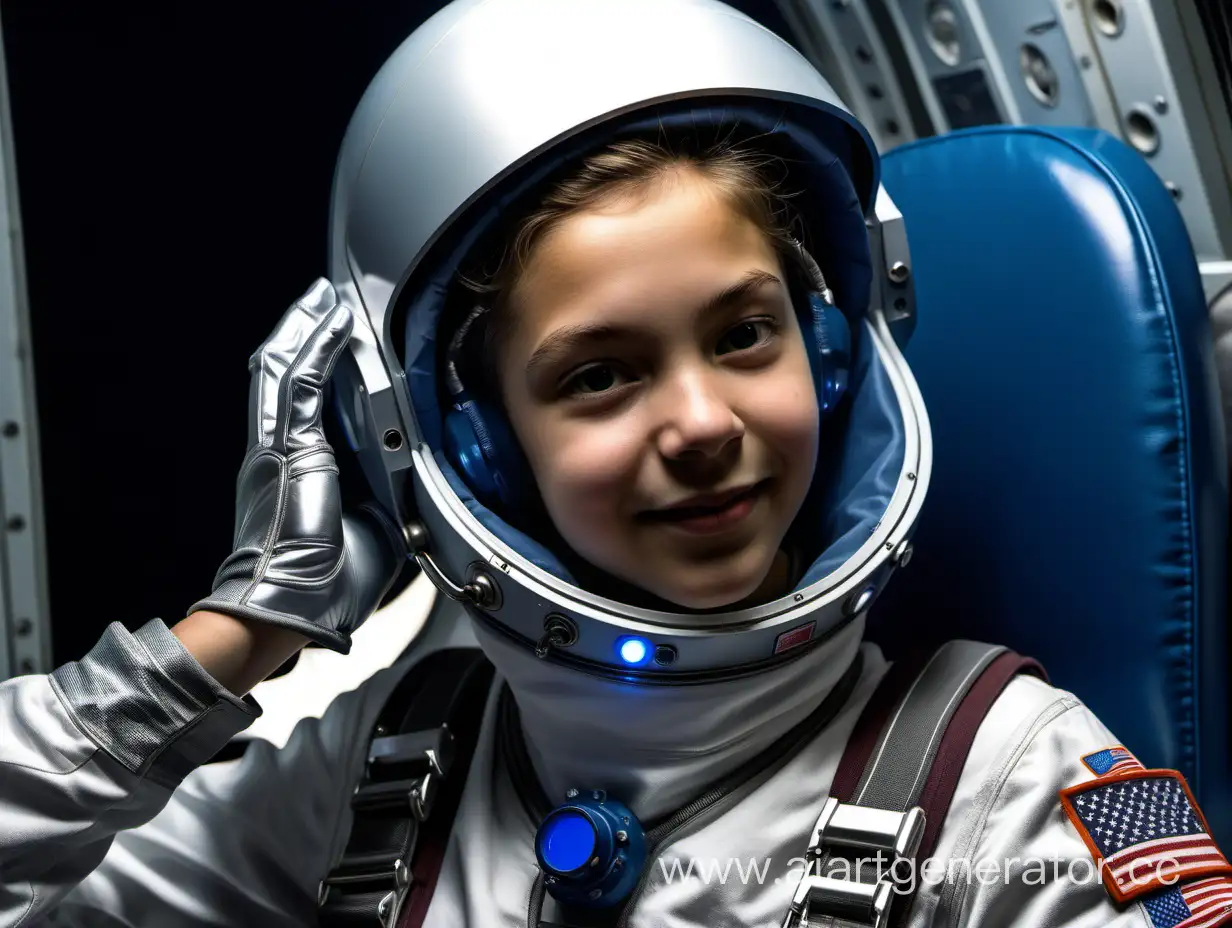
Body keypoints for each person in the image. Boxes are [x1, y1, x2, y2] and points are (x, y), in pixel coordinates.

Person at [3, 1, 1230, 927]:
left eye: (743, 334)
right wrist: (230, 637)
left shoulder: (1022, 779)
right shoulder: (390, 766)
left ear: (832, 352)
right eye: (598, 374)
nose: (699, 422)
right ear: (471, 440)